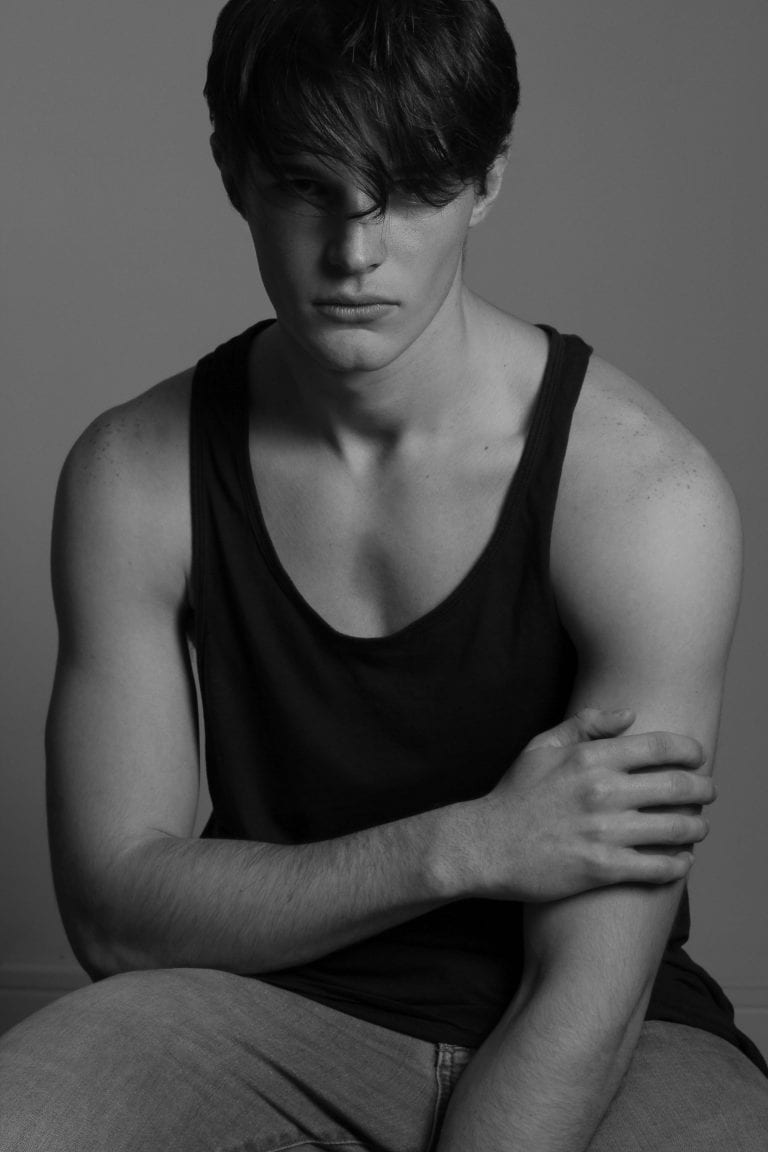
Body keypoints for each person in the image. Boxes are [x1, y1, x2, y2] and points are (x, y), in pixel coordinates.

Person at [2, 0, 767, 1148]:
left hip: (609, 1032)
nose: (355, 254)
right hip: (269, 1005)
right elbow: (119, 918)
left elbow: (586, 998)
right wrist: (465, 844)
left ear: (487, 181)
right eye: (308, 186)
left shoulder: (645, 494)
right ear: (232, 171)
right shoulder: (136, 476)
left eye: (410, 193)